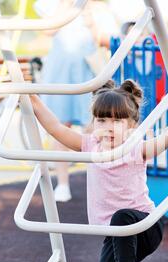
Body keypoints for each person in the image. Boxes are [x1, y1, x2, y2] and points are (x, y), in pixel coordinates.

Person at [29, 79, 168, 262]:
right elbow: (56, 128)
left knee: (121, 218)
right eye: (101, 120)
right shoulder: (89, 145)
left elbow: (166, 139)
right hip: (116, 237)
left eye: (117, 121)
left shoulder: (135, 148)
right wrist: (31, 97)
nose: (108, 127)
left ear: (132, 126)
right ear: (93, 123)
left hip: (145, 226)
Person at [34, 0, 118, 202]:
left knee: (93, 128)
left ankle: (99, 183)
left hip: (87, 71)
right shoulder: (52, 4)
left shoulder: (97, 7)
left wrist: (92, 22)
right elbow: (48, 30)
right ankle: (63, 184)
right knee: (60, 126)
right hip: (60, 72)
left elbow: (108, 39)